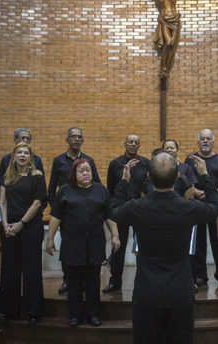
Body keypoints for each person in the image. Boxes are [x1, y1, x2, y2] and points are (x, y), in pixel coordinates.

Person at [110, 152, 218, 343]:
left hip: (147, 291)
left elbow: (113, 210)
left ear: (148, 176)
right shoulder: (188, 207)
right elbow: (215, 207)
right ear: (177, 176)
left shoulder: (137, 207)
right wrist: (204, 175)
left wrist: (124, 181)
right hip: (180, 291)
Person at [46, 158, 120, 327]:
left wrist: (115, 235)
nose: (85, 173)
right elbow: (56, 217)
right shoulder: (64, 191)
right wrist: (49, 239)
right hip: (72, 245)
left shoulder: (101, 190)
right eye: (81, 171)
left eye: (88, 170)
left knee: (94, 282)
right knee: (74, 284)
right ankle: (75, 315)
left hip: (95, 244)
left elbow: (109, 216)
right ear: (74, 174)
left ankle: (93, 314)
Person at [120, 0, 205, 78]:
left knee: (172, 45)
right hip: (164, 20)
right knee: (168, 42)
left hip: (175, 19)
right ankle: (163, 67)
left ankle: (166, 69)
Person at [0, 142, 46, 323]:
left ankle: (33, 311)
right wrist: (5, 224)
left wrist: (21, 223)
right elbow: (2, 202)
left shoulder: (37, 176)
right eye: (19, 152)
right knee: (10, 269)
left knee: (31, 269)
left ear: (30, 158)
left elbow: (37, 203)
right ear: (14, 156)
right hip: (10, 228)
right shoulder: (7, 177)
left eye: (26, 153)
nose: (23, 155)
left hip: (30, 227)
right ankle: (10, 310)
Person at [49, 127, 100, 294]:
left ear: (83, 141)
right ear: (67, 140)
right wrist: (57, 210)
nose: (76, 139)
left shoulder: (88, 161)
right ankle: (67, 279)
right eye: (73, 136)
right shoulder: (58, 161)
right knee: (67, 248)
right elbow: (52, 188)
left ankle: (84, 280)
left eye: (79, 137)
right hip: (67, 213)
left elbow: (97, 184)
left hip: (86, 212)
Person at [104, 134, 150, 293]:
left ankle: (143, 281)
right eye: (130, 142)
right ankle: (115, 281)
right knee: (118, 247)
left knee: (141, 248)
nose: (133, 144)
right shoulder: (115, 164)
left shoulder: (146, 164)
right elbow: (111, 189)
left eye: (136, 142)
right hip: (121, 211)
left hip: (140, 211)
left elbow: (148, 187)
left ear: (139, 145)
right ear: (124, 144)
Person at [184, 129, 218, 288]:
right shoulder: (190, 159)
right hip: (197, 205)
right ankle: (200, 275)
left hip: (215, 206)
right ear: (198, 142)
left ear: (213, 141)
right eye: (202, 138)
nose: (205, 141)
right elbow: (186, 180)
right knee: (199, 242)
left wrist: (212, 193)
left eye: (208, 138)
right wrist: (196, 192)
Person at [0, 128, 45, 204]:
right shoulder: (6, 159)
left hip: (31, 203)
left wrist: (39, 206)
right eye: (22, 138)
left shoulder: (37, 159)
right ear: (15, 140)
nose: (25, 140)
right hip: (10, 203)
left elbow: (41, 187)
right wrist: (2, 203)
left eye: (28, 139)